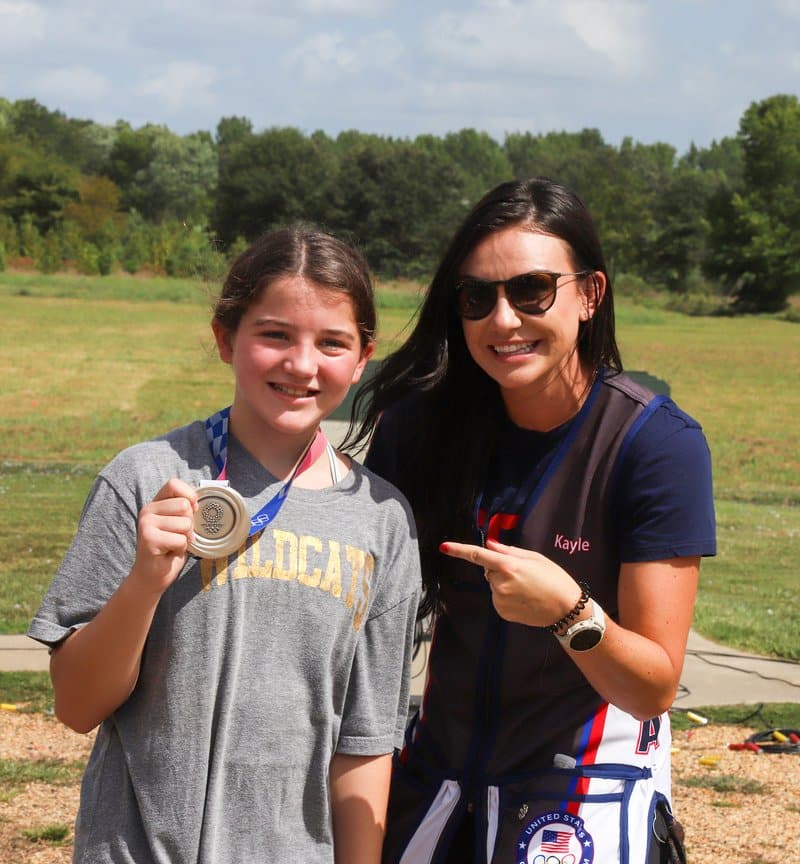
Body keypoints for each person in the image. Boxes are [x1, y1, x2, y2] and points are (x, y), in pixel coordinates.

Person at [28, 225, 422, 864]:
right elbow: (77, 704)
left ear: (361, 357)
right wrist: (143, 583)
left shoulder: (382, 521)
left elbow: (366, 744)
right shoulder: (144, 478)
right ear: (224, 337)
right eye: (274, 334)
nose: (301, 364)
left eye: (331, 343)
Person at [351, 178, 716, 863]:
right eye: (477, 296)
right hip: (439, 773)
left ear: (590, 295)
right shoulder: (420, 427)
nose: (504, 320)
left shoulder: (654, 444)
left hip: (578, 786)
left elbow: (654, 687)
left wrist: (570, 613)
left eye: (531, 291)